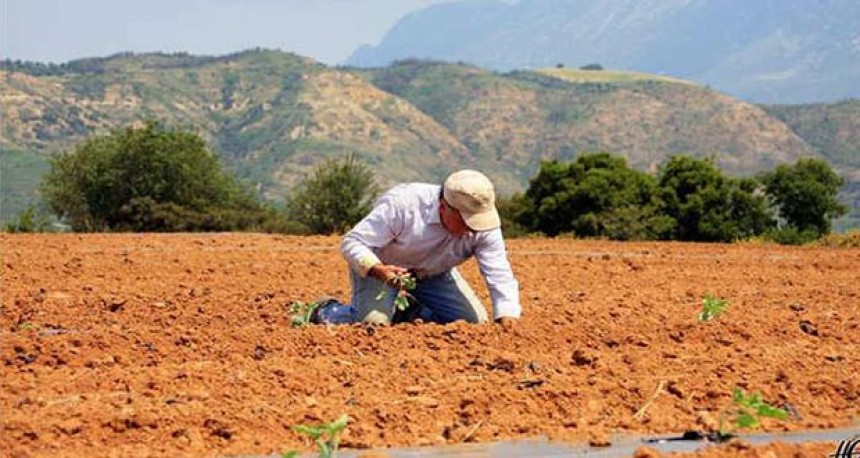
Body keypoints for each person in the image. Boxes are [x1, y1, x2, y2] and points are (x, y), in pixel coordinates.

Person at [314, 169, 521, 326]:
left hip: (433, 274)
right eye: (466, 221)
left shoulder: (484, 225)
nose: (472, 229)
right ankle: (326, 311)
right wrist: (377, 269)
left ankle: (409, 312)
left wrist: (507, 315)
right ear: (444, 207)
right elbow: (353, 242)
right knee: (373, 323)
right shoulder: (403, 205)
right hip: (382, 270)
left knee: (472, 322)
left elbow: (499, 272)